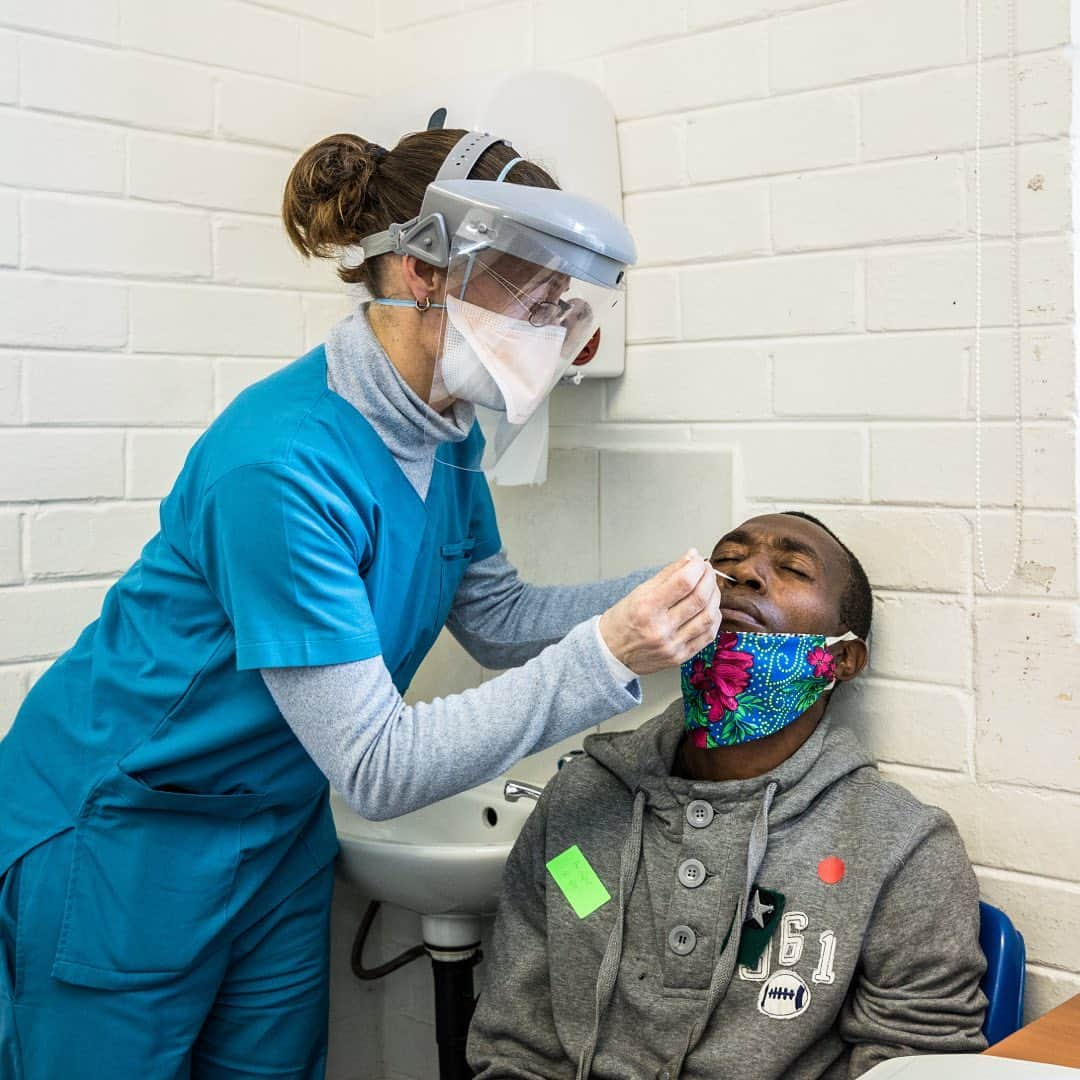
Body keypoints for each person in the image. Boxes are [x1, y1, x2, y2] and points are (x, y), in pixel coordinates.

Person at [0, 128, 722, 1079]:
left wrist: (676, 595)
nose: (556, 322)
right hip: (129, 837)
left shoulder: (446, 433)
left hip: (278, 829)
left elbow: (498, 618)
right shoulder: (281, 464)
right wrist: (610, 655)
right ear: (428, 270)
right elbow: (376, 766)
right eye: (533, 290)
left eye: (561, 297)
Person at [468, 512, 988, 1080]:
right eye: (727, 561)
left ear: (842, 660)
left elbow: (916, 1061)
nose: (746, 575)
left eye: (791, 568)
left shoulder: (903, 846)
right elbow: (513, 1040)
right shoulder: (582, 794)